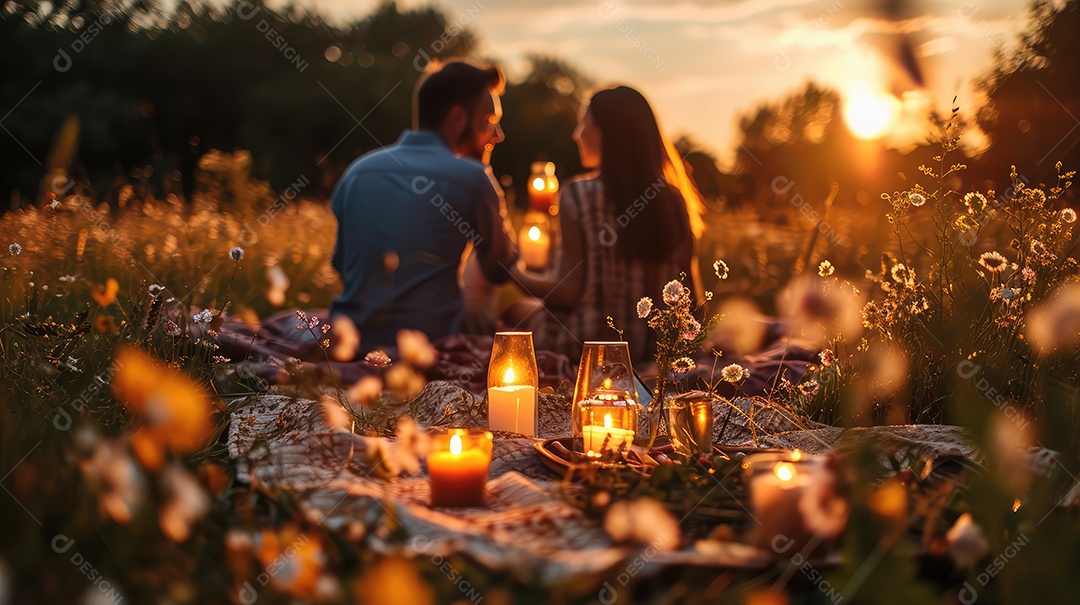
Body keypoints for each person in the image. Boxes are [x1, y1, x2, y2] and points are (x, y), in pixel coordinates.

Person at [328, 60, 518, 355]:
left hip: (351, 344)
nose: (498, 135)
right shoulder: (472, 178)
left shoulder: (358, 171)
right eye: (490, 121)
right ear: (457, 119)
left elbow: (342, 263)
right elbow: (499, 270)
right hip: (425, 348)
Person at [509, 85, 704, 362]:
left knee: (515, 312)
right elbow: (692, 303)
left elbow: (567, 293)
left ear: (606, 134)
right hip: (653, 354)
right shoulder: (672, 200)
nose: (577, 135)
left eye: (583, 124)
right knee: (524, 309)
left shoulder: (578, 195)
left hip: (585, 348)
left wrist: (512, 273)